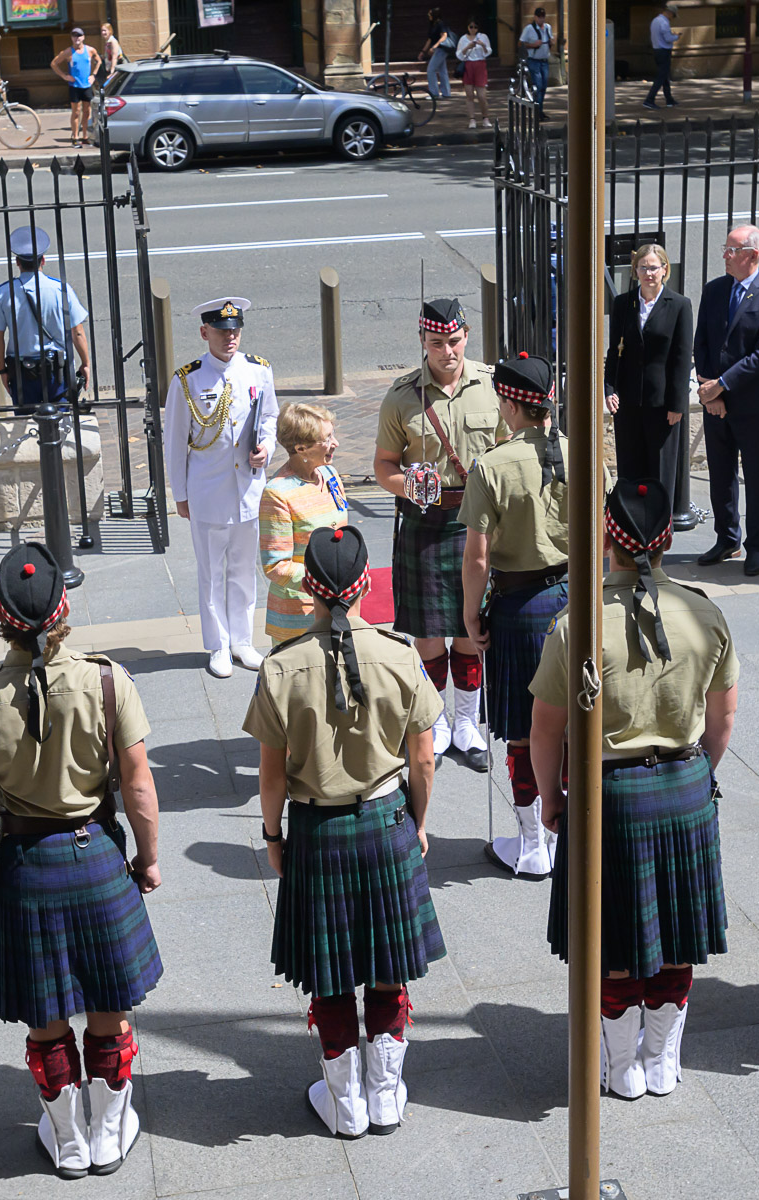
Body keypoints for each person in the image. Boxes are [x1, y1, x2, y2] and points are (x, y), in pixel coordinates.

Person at [0, 543, 162, 1177]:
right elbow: (140, 786)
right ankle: (109, 1133)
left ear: (0, 615)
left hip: (24, 867)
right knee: (108, 1003)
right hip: (95, 857)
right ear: (64, 609)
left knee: (47, 1014)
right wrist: (148, 858)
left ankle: (68, 1141)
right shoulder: (107, 680)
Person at [531, 478, 738, 1099]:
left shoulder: (576, 623)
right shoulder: (706, 612)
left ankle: (621, 1067)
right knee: (677, 935)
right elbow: (722, 721)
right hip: (684, 784)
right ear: (667, 537)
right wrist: (700, 776)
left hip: (608, 795)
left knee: (614, 937)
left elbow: (546, 730)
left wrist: (551, 797)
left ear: (606, 537)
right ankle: (662, 1060)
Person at [243, 525, 445, 1137]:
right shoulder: (402, 654)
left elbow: (271, 775)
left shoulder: (281, 668)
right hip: (386, 822)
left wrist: (273, 836)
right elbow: (424, 759)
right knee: (388, 962)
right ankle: (385, 1095)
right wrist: (419, 823)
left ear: (310, 588)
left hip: (316, 830)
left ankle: (346, 1104)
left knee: (330, 971)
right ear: (363, 587)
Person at [373, 298, 504, 772]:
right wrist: (407, 482)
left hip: (479, 521)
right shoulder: (403, 395)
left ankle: (468, 723)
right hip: (426, 524)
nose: (446, 351)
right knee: (429, 634)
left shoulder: (491, 386)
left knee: (473, 627)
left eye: (453, 341)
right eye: (435, 343)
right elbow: (383, 465)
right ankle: (438, 719)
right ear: (422, 343)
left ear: (466, 335)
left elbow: (511, 450)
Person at [461, 354, 572, 878]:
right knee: (571, 721)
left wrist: (469, 613)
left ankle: (533, 844)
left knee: (525, 733)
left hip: (519, 607)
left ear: (509, 404)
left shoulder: (492, 465)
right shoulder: (581, 453)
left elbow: (478, 556)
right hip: (575, 602)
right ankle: (569, 829)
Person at [163, 296, 279, 679]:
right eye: (221, 330)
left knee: (244, 568)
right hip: (208, 491)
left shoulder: (259, 371)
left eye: (235, 330)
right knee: (211, 571)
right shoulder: (189, 379)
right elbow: (176, 440)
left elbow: (270, 417)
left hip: (248, 487)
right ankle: (217, 644)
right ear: (204, 332)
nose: (230, 337)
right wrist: (180, 494)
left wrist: (266, 447)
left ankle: (242, 640)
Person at [693, 224, 759, 577]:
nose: (725, 256)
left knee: (757, 476)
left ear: (752, 255)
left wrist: (722, 386)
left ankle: (756, 545)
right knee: (720, 474)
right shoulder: (715, 290)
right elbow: (701, 341)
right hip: (714, 400)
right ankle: (726, 537)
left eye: (731, 250)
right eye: (726, 248)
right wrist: (708, 389)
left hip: (752, 404)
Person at [605, 243, 694, 508]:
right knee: (630, 471)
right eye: (642, 268)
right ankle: (631, 531)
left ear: (664, 270)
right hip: (629, 403)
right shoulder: (624, 303)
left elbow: (681, 358)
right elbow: (614, 351)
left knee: (659, 474)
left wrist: (677, 405)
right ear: (635, 271)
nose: (648, 273)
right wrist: (610, 390)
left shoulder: (679, 305)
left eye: (654, 268)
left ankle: (657, 533)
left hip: (662, 405)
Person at [259, 403, 348, 646]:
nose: (335, 443)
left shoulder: (330, 474)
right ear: (301, 448)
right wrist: (327, 584)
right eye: (327, 438)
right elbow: (276, 566)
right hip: (298, 618)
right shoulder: (277, 493)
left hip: (338, 607)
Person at [0, 226, 90, 415]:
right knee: (61, 423)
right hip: (57, 372)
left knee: (26, 425)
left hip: (22, 372)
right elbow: (77, 332)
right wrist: (85, 363)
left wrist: (2, 370)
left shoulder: (3, 293)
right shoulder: (61, 290)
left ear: (17, 262)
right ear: (43, 260)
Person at [50, 29, 101, 149]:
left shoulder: (90, 50)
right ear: (71, 38)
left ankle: (85, 137)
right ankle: (75, 137)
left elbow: (98, 61)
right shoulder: (68, 52)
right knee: (76, 111)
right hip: (74, 86)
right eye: (74, 36)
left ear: (83, 37)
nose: (76, 38)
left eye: (79, 35)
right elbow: (54, 64)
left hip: (87, 86)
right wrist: (64, 76)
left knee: (87, 111)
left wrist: (93, 75)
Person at [642, 3, 681, 111]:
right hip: (664, 51)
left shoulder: (655, 20)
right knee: (661, 77)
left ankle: (669, 99)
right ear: (670, 13)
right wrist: (676, 36)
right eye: (673, 16)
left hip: (657, 50)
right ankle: (649, 100)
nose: (673, 18)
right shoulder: (664, 22)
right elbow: (668, 38)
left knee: (665, 76)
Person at [456, 19, 492, 129]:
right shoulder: (463, 39)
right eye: (471, 27)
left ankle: (485, 118)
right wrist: (468, 47)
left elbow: (488, 51)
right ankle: (472, 119)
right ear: (467, 27)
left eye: (475, 27)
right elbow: (459, 54)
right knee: (469, 95)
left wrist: (483, 45)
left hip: (480, 65)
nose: (473, 29)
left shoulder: (483, 37)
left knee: (481, 95)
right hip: (468, 66)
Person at [519, 6, 553, 118]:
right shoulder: (529, 29)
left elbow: (550, 41)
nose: (541, 19)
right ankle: (537, 111)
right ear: (535, 17)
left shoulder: (548, 27)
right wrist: (533, 45)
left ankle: (540, 109)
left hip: (544, 61)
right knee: (537, 85)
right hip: (534, 61)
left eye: (543, 17)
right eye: (539, 17)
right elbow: (520, 44)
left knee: (543, 86)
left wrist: (551, 43)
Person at [419, 8, 452, 102]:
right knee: (442, 71)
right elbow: (429, 40)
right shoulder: (432, 25)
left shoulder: (440, 24)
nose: (428, 16)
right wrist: (423, 51)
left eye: (430, 14)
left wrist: (434, 47)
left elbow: (444, 36)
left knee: (431, 69)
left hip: (441, 50)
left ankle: (434, 94)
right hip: (438, 50)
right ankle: (446, 93)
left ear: (435, 15)